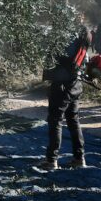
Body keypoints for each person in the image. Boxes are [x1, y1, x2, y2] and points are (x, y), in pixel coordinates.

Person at [38, 22, 90, 170]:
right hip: (75, 84)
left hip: (62, 85)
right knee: (73, 120)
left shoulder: (69, 39)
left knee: (55, 120)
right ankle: (79, 158)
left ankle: (51, 160)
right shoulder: (82, 39)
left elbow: (60, 58)